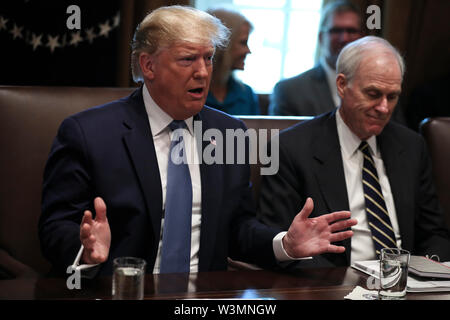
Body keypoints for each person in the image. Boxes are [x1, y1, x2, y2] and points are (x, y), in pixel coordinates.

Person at [39, 5, 357, 277]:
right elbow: (55, 226)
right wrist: (85, 249)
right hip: (121, 290)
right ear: (148, 65)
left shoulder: (229, 133)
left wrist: (284, 244)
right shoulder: (88, 133)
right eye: (188, 59)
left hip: (203, 297)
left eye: (208, 58)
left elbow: (238, 228)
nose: (203, 72)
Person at [258, 36, 450, 267]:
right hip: (335, 284)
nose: (383, 107)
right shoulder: (290, 148)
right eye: (373, 94)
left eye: (392, 96)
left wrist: (429, 268)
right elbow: (283, 242)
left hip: (404, 283)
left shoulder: (411, 146)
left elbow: (434, 233)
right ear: (342, 85)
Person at [269, 0, 362, 116]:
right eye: (336, 31)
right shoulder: (290, 91)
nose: (344, 38)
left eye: (351, 31)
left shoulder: (381, 88)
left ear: (362, 38)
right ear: (321, 37)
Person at [205, 8, 259, 115]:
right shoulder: (192, 94)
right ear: (222, 45)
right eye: (243, 43)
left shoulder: (246, 94)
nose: (248, 51)